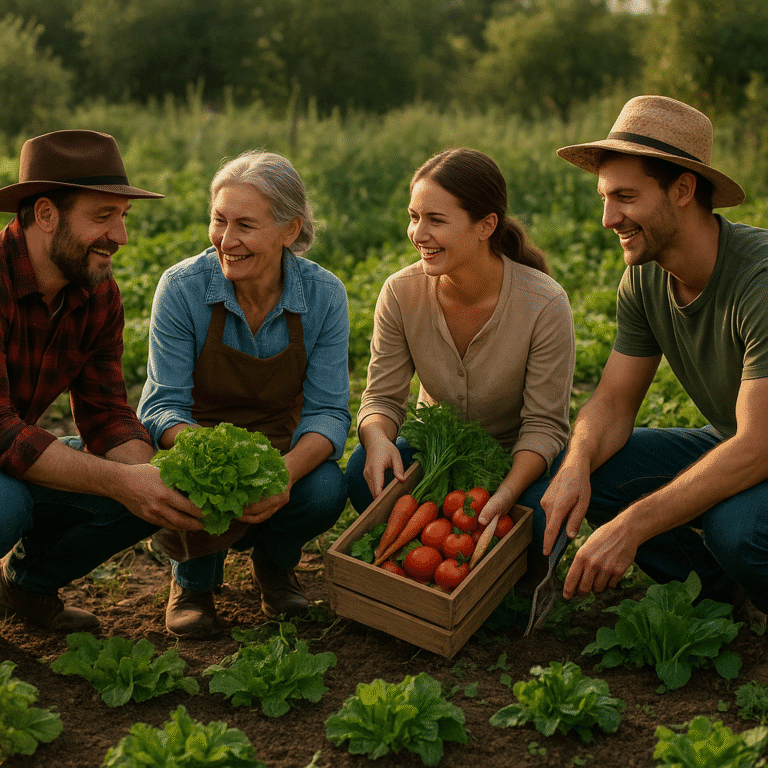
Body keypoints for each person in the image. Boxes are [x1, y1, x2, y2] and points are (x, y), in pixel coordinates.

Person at [520, 95, 768, 625]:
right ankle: (719, 596)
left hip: (758, 447)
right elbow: (611, 400)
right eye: (605, 197)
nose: (609, 218)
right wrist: (576, 465)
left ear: (683, 190)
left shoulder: (759, 282)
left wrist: (631, 527)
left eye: (626, 197)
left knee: (737, 529)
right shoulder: (644, 275)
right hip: (738, 443)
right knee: (599, 466)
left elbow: (758, 448)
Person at [137, 150, 351, 638]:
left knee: (324, 490)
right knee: (184, 479)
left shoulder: (323, 295)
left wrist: (282, 473)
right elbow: (160, 405)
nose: (226, 241)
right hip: (197, 447)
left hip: (279, 449)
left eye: (245, 226)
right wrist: (217, 460)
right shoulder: (183, 288)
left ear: (289, 230)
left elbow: (329, 413)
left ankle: (274, 567)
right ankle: (192, 582)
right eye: (219, 221)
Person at [0, 129, 204, 633]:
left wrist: (149, 481)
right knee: (6, 504)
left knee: (146, 491)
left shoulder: (97, 294)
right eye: (102, 216)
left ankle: (25, 588)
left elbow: (107, 413)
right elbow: (1, 431)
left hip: (9, 455)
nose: (121, 236)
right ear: (45, 214)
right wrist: (122, 481)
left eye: (123, 217)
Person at [345, 148, 574, 533]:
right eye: (414, 217)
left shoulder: (544, 304)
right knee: (360, 472)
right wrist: (378, 438)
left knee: (541, 513)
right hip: (435, 450)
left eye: (436, 220)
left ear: (485, 226)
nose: (419, 234)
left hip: (513, 457)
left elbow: (543, 426)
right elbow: (382, 397)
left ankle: (520, 583)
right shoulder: (401, 293)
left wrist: (505, 493)